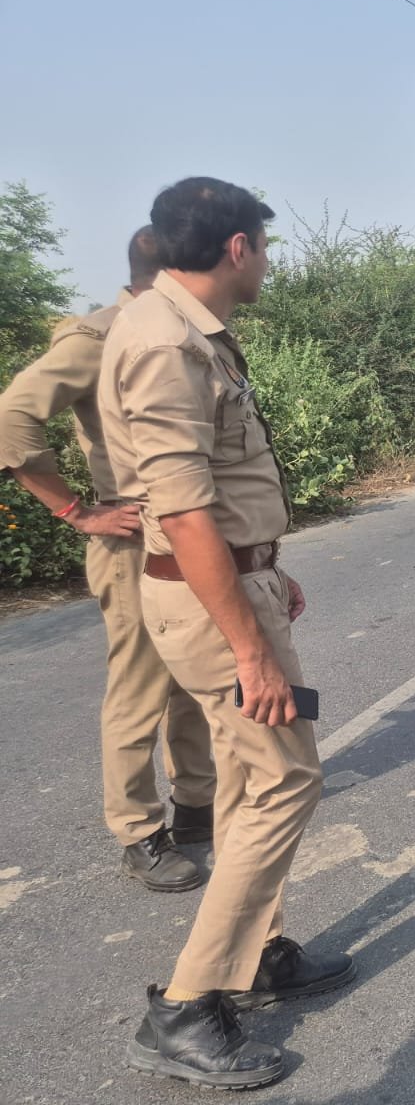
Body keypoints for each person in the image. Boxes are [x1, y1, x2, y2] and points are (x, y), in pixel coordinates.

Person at [99, 178, 353, 1089]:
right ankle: (185, 1005)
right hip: (208, 603)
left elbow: (222, 500)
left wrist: (266, 577)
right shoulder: (165, 343)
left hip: (232, 585)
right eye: (266, 247)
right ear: (237, 248)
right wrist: (249, 642)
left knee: (250, 778)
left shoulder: (181, 328)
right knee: (289, 779)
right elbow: (188, 512)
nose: (268, 263)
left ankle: (256, 955)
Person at [0, 227, 215, 891]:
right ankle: (138, 830)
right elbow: (11, 420)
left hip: (180, 527)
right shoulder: (101, 336)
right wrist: (76, 511)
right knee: (140, 686)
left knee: (188, 674)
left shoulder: (175, 331)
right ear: (172, 271)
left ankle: (195, 805)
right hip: (129, 537)